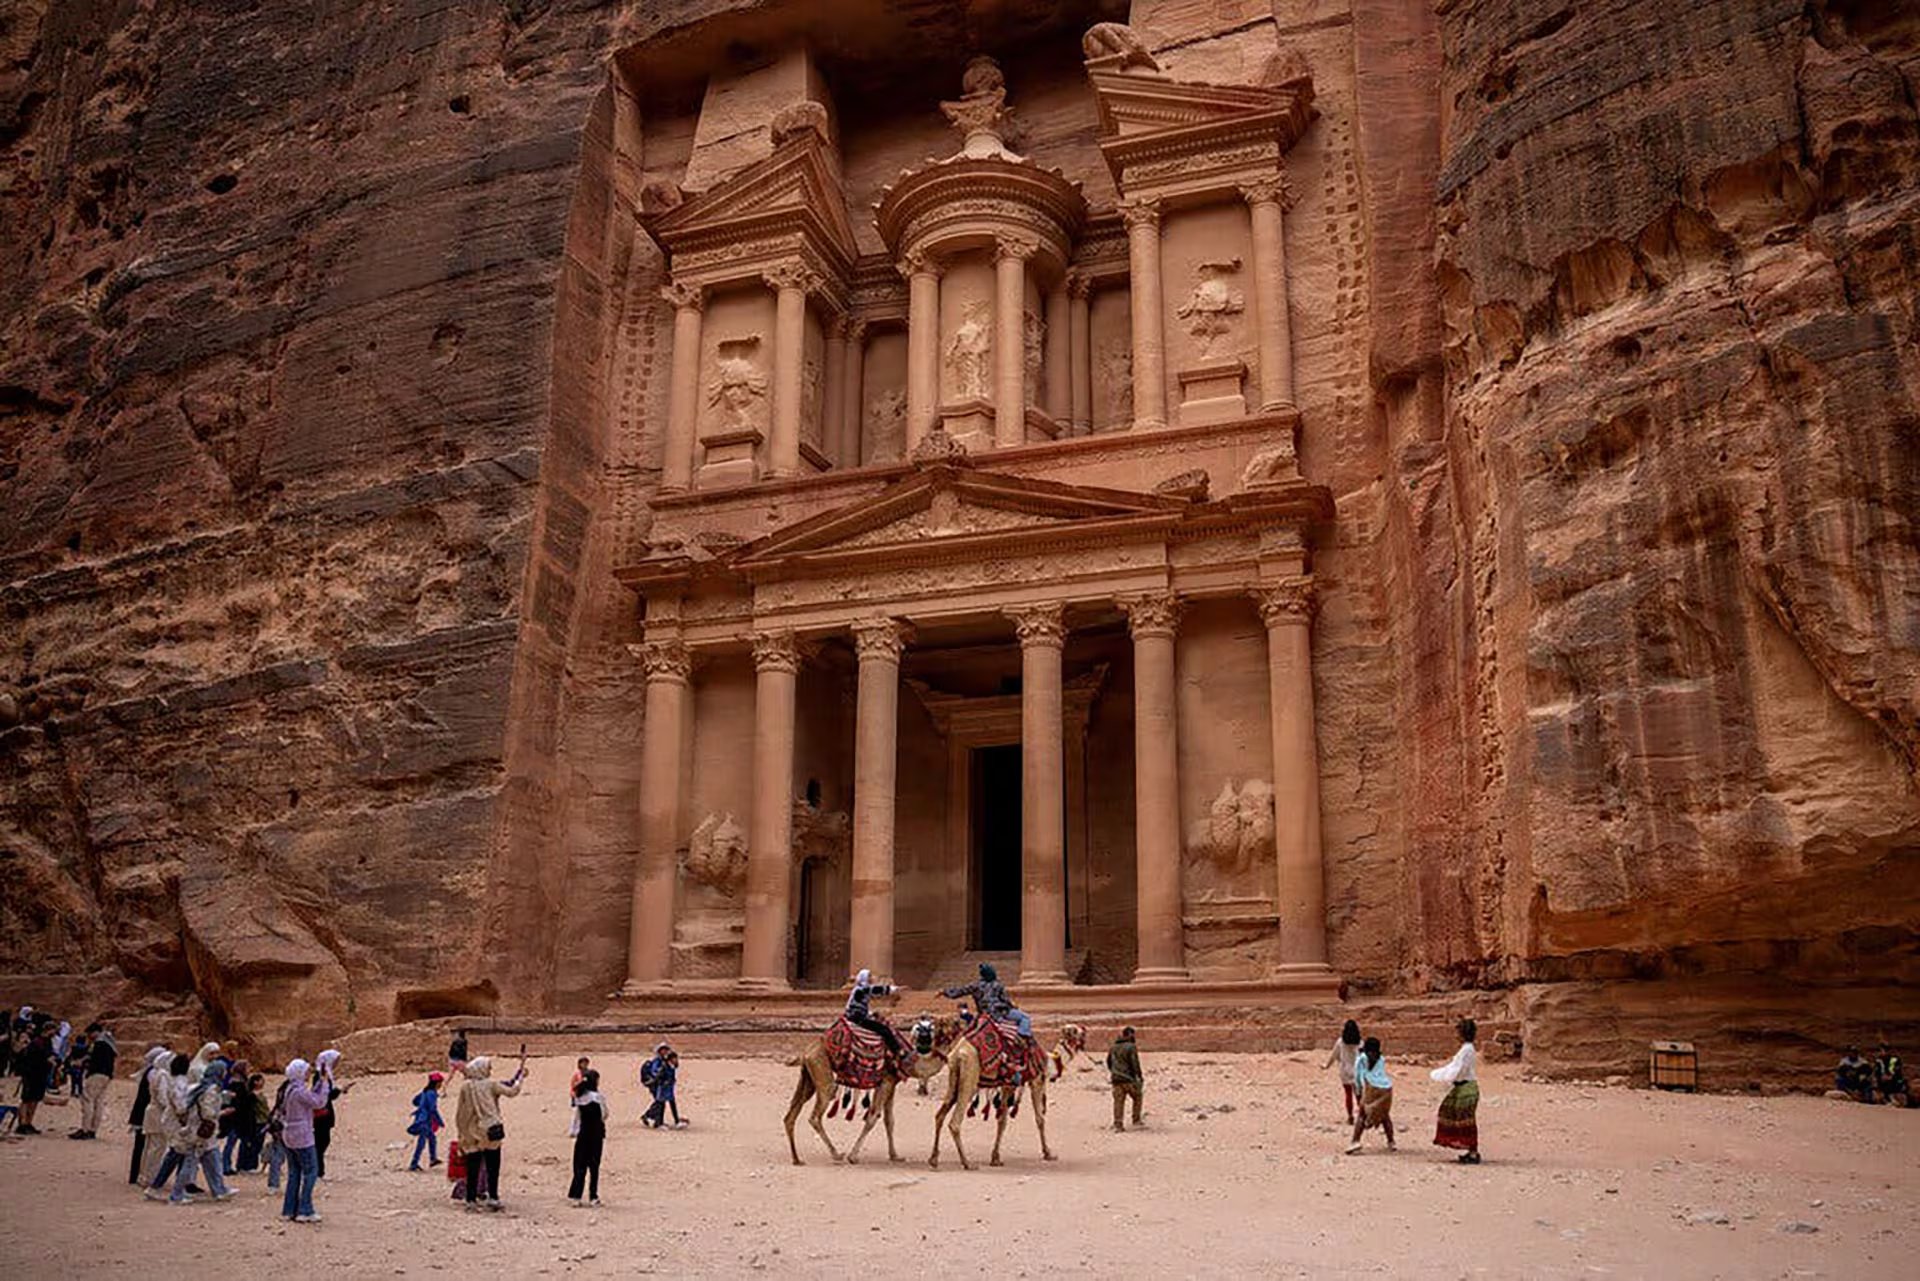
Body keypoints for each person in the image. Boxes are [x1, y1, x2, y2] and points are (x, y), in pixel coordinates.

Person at [146, 1062, 235, 1204]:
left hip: (199, 1132)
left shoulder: (200, 1087)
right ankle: (176, 1195)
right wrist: (221, 1113)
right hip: (199, 1133)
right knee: (189, 1163)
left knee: (212, 1157)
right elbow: (207, 1112)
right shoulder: (210, 1089)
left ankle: (219, 1190)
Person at [456, 1055, 524, 1211]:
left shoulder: (466, 1087)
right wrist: (520, 1079)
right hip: (491, 1131)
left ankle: (471, 1199)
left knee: (473, 1167)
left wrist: (461, 1133)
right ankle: (493, 1197)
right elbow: (512, 1091)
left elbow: (461, 1112)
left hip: (473, 1132)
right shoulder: (491, 1084)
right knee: (493, 1165)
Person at [277, 1058, 329, 1223]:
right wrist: (325, 1084)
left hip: (289, 1135)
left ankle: (289, 1210)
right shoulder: (299, 1091)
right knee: (310, 1172)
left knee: (294, 1173)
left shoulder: (289, 1089)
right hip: (301, 1136)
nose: (308, 1074)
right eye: (306, 1071)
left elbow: (311, 1097)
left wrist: (320, 1082)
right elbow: (318, 1102)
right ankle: (305, 1210)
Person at [1431, 1018, 1481, 1164]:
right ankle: (1470, 1149)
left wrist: (1443, 1076)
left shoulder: (1467, 1050)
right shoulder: (1466, 1049)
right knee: (1456, 1116)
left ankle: (1473, 1151)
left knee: (1466, 1121)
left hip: (1466, 1088)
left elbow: (1458, 1070)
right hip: (1462, 1088)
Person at [941, 962, 1032, 1041]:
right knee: (1025, 1018)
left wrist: (945, 992)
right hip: (1000, 1013)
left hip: (983, 1013)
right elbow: (1005, 1000)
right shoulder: (997, 985)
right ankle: (1022, 1035)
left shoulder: (975, 985)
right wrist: (1012, 1006)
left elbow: (959, 992)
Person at [844, 969, 910, 1063]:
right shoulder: (862, 989)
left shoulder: (859, 990)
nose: (871, 978)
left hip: (856, 1015)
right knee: (884, 1030)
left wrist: (871, 1014)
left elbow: (859, 1005)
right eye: (869, 976)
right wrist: (894, 989)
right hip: (858, 1018)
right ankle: (898, 1052)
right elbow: (875, 990)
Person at [1345, 1036, 1395, 1155]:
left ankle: (1355, 1141)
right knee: (1385, 1116)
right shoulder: (1381, 1059)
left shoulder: (1361, 1059)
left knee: (1362, 1115)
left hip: (1371, 1089)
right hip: (1386, 1089)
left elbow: (1358, 1077)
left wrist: (1358, 1093)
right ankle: (1391, 1141)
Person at [125, 1045, 167, 1183]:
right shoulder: (155, 1073)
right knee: (145, 1146)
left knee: (145, 1146)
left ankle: (138, 1175)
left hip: (144, 1112)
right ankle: (140, 1175)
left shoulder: (150, 1072)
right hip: (147, 1114)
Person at [69, 1020, 116, 1139]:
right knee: (98, 1102)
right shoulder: (109, 1044)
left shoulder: (99, 1044)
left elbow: (94, 1059)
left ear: (95, 1032)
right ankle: (93, 1129)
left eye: (90, 1034)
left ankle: (85, 1129)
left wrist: (83, 1063)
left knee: (87, 1100)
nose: (89, 1037)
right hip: (106, 1075)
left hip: (96, 1074)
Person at [567, 1070, 608, 1207]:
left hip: (583, 1135)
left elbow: (576, 1117)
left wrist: (573, 1132)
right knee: (594, 1166)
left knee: (580, 1165)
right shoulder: (598, 1097)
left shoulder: (579, 1098)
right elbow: (604, 1114)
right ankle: (593, 1196)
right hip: (596, 1135)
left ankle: (576, 1196)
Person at [311, 1048, 352, 1179]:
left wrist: (339, 1090)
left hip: (325, 1112)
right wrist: (338, 1090)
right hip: (322, 1114)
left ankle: (318, 1170)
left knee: (322, 1141)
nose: (336, 1064)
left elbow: (328, 1095)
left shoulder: (326, 1074)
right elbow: (322, 1096)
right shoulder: (320, 1075)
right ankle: (317, 1170)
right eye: (335, 1061)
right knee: (321, 1141)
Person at [13, 1023, 52, 1135]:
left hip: (41, 1074)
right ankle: (22, 1124)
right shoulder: (36, 1042)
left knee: (35, 1099)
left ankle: (28, 1123)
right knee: (26, 1099)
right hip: (31, 1074)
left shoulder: (46, 1042)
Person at [1324, 1019, 1363, 1125]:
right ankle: (1362, 1116)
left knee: (1348, 1095)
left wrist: (1326, 1066)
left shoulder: (1341, 1042)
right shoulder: (1360, 1043)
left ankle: (1350, 1117)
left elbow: (1334, 1055)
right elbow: (1364, 1059)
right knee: (1359, 1096)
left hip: (1345, 1071)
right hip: (1357, 1072)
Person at [1106, 1026, 1144, 1131]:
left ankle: (1118, 1124)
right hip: (1128, 1079)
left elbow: (1109, 1062)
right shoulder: (1131, 1047)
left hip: (1116, 1078)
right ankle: (1136, 1119)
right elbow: (1135, 1063)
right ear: (1130, 1035)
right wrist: (1139, 1076)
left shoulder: (1113, 1046)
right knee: (1138, 1097)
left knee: (1118, 1102)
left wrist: (1114, 1072)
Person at [407, 1072, 445, 1170]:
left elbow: (414, 1101)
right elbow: (433, 1109)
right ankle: (414, 1163)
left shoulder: (424, 1092)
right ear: (437, 1083)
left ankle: (433, 1158)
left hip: (421, 1119)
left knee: (432, 1138)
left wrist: (422, 1104)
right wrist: (440, 1121)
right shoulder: (432, 1094)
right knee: (422, 1142)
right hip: (424, 1121)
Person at [641, 1044, 683, 1128]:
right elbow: (655, 1073)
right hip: (657, 1085)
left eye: (666, 1049)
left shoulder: (666, 1061)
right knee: (659, 1103)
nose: (665, 1051)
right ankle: (655, 1120)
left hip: (665, 1086)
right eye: (663, 1050)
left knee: (661, 1103)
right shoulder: (658, 1061)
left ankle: (652, 1118)